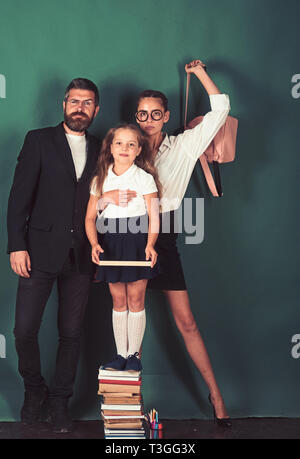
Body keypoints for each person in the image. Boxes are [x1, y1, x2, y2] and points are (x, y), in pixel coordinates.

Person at [99, 60, 232, 426]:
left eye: (156, 114)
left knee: (185, 321)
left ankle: (217, 395)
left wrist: (201, 73)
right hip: (124, 235)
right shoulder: (124, 150)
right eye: (142, 114)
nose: (148, 120)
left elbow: (221, 109)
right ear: (135, 117)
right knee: (129, 314)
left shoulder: (183, 146)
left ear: (166, 115)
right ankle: (128, 408)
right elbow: (97, 194)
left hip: (164, 234)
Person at [7, 78, 100, 433]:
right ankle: (34, 391)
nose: (80, 107)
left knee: (71, 333)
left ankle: (60, 402)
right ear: (64, 104)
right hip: (37, 251)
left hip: (82, 257)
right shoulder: (39, 140)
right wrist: (17, 244)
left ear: (95, 109)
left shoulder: (102, 146)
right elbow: (19, 197)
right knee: (24, 330)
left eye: (87, 102)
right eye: (74, 101)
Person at [85, 124, 160, 372]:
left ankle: (133, 356)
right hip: (111, 241)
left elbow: (154, 216)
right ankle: (120, 355)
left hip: (138, 240)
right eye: (119, 143)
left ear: (139, 150)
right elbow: (89, 217)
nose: (124, 148)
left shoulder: (145, 178)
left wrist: (150, 245)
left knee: (136, 299)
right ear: (110, 147)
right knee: (118, 300)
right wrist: (95, 243)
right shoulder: (101, 178)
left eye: (131, 144)